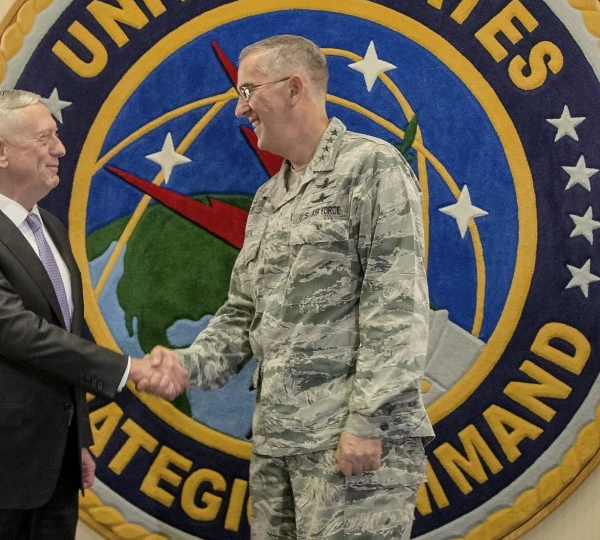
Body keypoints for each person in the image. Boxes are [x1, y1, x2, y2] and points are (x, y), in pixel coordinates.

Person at [150, 35, 433, 539]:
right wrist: (185, 365)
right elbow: (242, 314)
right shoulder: (268, 198)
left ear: (294, 87)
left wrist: (368, 420)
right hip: (279, 444)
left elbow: (396, 303)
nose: (241, 109)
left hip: (351, 444)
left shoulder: (370, 166)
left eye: (248, 92)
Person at [0, 90, 181, 539]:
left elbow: (67, 334)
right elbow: (21, 334)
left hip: (53, 472)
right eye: (45, 139)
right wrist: (131, 369)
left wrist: (76, 438)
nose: (60, 149)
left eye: (55, 137)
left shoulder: (50, 229)